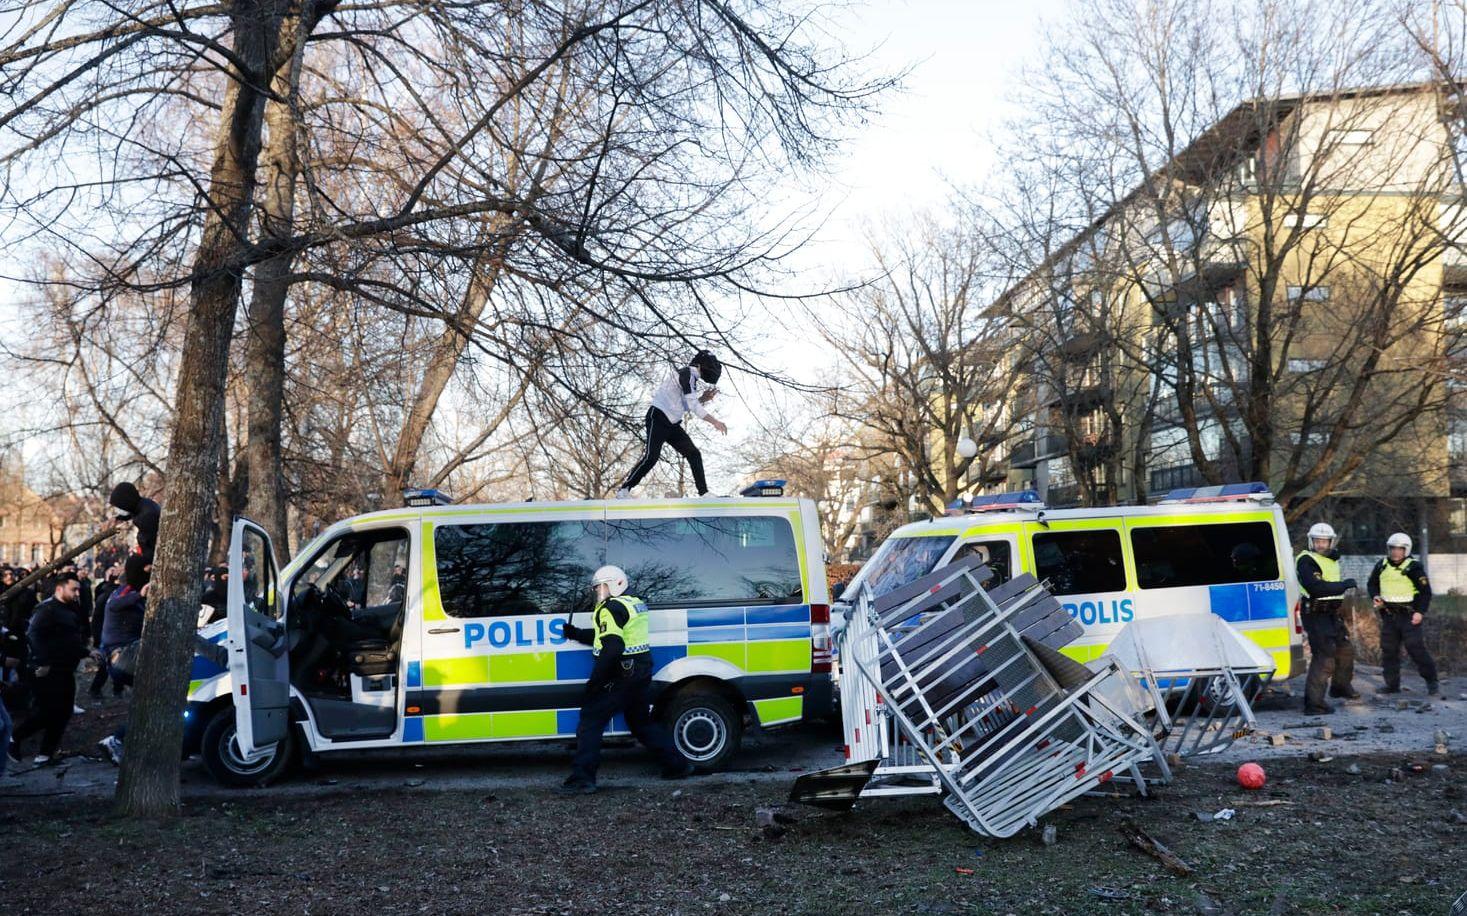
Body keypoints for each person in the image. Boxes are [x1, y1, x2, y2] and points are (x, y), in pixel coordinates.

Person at [557, 565, 693, 794]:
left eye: (601, 587)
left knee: (591, 720)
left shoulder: (609, 608)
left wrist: (595, 683)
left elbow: (612, 646)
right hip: (640, 671)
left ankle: (582, 779)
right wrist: (577, 633)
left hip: (620, 675)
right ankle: (677, 765)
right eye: (597, 588)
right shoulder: (633, 603)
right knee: (641, 723)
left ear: (616, 584)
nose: (598, 592)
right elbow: (607, 635)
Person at [616, 350, 728, 498]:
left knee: (694, 454)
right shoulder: (687, 374)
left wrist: (702, 399)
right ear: (701, 365)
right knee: (651, 457)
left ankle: (704, 493)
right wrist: (715, 422)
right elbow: (693, 406)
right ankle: (624, 490)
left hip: (672, 424)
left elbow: (684, 405)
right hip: (658, 417)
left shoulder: (690, 378)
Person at [10, 572, 88, 765]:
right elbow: (33, 635)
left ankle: (45, 754)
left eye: (78, 590)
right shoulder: (46, 609)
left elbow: (68, 639)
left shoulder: (70, 609)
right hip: (46, 670)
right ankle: (15, 738)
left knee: (64, 712)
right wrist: (43, 662)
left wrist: (86, 652)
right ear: (59, 589)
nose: (77, 593)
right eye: (74, 589)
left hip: (64, 668)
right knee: (47, 712)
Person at [1295, 522, 1359, 715]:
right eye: (1317, 541)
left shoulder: (1331, 560)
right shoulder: (1306, 560)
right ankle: (1314, 704)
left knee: (1345, 650)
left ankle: (1340, 686)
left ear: (1331, 542)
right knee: (1324, 658)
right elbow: (1316, 587)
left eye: (1324, 541)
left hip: (1331, 613)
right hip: (1315, 614)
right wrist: (1343, 585)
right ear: (1311, 541)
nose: (1321, 545)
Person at [1367, 532, 1439, 697]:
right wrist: (1375, 595)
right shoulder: (1381, 565)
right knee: (1389, 651)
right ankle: (1392, 685)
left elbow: (1425, 592)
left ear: (1406, 550)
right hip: (1388, 615)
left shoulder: (1414, 567)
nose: (1395, 552)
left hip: (1409, 616)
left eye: (1400, 549)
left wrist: (1420, 612)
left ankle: (1432, 682)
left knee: (1415, 649)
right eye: (1393, 548)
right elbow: (1372, 584)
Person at [88, 564, 123, 697]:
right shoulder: (109, 594)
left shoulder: (112, 593)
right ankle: (96, 689)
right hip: (107, 634)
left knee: (116, 662)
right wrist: (97, 638)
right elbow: (97, 618)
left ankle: (117, 689)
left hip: (111, 633)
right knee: (107, 664)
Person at [107, 481, 161, 562]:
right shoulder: (142, 504)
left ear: (126, 502)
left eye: (120, 506)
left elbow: (151, 542)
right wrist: (117, 518)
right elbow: (131, 513)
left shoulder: (146, 516)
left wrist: (145, 561)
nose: (119, 509)